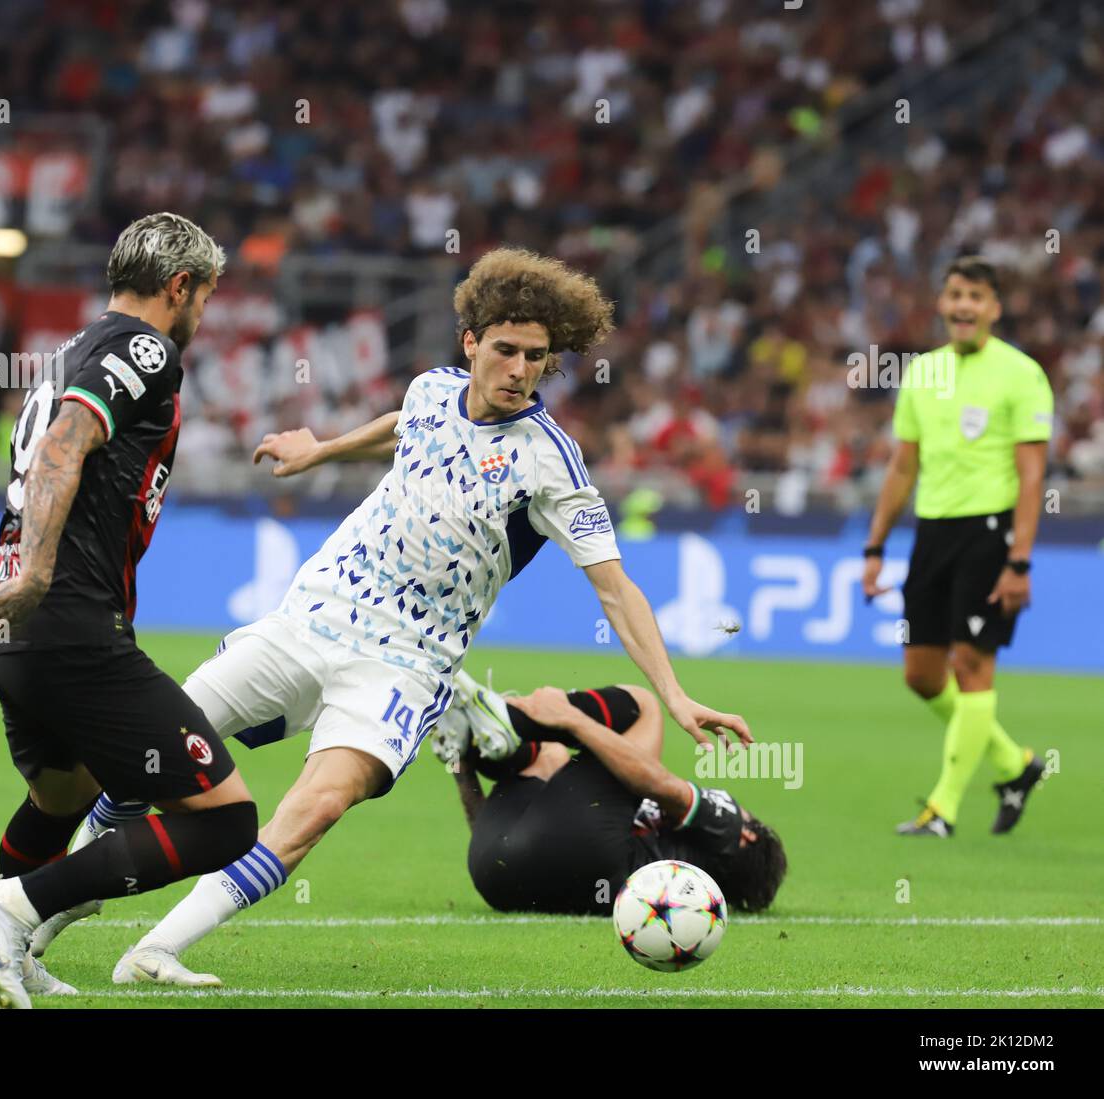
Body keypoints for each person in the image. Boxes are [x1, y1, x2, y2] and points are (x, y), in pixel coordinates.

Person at [58, 247, 752, 987]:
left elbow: (616, 589)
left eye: (538, 358)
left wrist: (673, 692)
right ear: (472, 344)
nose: (520, 369)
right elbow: (403, 426)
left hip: (405, 666)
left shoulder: (551, 462)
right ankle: (40, 912)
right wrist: (321, 450)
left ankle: (155, 950)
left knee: (318, 805)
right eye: (507, 350)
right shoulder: (432, 390)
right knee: (155, 755)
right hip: (315, 614)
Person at [0, 213, 261, 1009]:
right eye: (204, 296)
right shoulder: (146, 348)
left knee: (65, 791)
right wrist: (41, 575)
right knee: (226, 821)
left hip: (6, 626)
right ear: (180, 286)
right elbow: (62, 449)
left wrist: (19, 581)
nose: (201, 316)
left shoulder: (71, 352)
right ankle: (10, 906)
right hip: (63, 619)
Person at [862, 256, 1051, 838]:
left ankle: (941, 809)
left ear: (995, 307)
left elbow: (1031, 476)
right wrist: (874, 548)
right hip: (932, 532)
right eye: (955, 295)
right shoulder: (922, 373)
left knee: (970, 665)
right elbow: (902, 466)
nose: (964, 306)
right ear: (942, 305)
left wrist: (1019, 560)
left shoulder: (1021, 374)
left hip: (990, 533)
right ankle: (1016, 766)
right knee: (921, 675)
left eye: (976, 296)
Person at [436, 671, 786, 916]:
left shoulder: (731, 829)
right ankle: (466, 741)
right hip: (494, 875)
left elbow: (658, 785)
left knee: (645, 707)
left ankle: (512, 718)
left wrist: (571, 719)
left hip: (594, 849)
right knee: (551, 757)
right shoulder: (696, 877)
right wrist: (460, 769)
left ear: (749, 836)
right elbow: (504, 839)